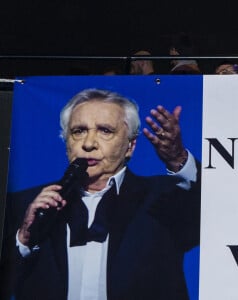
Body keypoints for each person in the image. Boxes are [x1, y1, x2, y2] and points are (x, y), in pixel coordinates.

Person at [1, 88, 200, 300]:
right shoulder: (27, 205)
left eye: (105, 131)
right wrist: (23, 239)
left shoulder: (164, 197)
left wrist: (177, 158)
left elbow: (221, 209)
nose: (88, 144)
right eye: (78, 131)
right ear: (67, 141)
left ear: (130, 146)